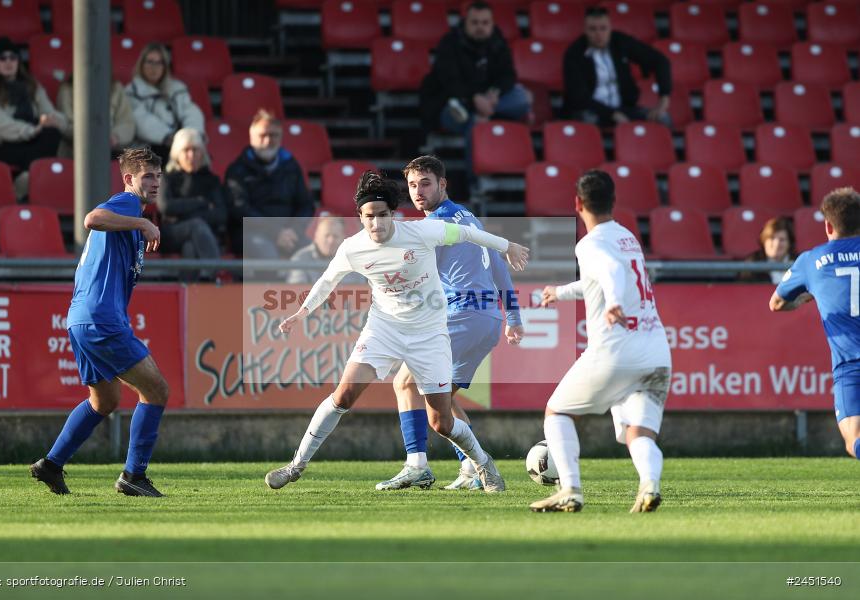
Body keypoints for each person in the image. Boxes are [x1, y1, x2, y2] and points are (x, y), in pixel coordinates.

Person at [264, 170, 530, 493]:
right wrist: (300, 313)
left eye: (381, 216)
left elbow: (469, 235)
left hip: (429, 333)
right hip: (384, 328)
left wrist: (508, 246)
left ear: (393, 214)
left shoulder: (421, 232)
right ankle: (295, 466)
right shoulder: (352, 247)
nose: (376, 224)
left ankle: (481, 462)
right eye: (368, 217)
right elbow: (326, 282)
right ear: (360, 217)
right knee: (343, 395)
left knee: (441, 422)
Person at [375, 155, 524, 491]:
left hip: (463, 314)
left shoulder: (435, 226)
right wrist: (512, 316)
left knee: (406, 384)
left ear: (443, 184)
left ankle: (417, 466)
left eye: (425, 183)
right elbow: (499, 267)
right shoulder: (469, 217)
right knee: (444, 402)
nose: (417, 191)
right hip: (486, 320)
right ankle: (472, 470)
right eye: (412, 185)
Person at [29, 147, 170, 498]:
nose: (154, 182)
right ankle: (134, 475)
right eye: (147, 176)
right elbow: (91, 218)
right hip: (101, 319)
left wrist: (140, 226)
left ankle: (51, 464)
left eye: (158, 175)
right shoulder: (126, 204)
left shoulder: (131, 218)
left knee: (103, 401)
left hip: (81, 320)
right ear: (128, 180)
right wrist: (141, 221)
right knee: (156, 390)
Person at [530, 170, 671, 513]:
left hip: (616, 350)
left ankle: (571, 490)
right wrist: (560, 293)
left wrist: (614, 303)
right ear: (614, 202)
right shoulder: (627, 238)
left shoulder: (590, 244)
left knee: (557, 411)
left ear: (577, 204)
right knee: (638, 432)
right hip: (656, 352)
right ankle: (650, 486)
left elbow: (610, 272)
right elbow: (600, 277)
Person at [770, 187, 860, 463]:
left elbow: (776, 303)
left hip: (850, 367)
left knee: (854, 439)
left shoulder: (811, 261)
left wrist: (805, 299)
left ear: (829, 225)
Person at [418, 1, 531, 184]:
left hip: (490, 101)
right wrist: (474, 99)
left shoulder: (498, 41)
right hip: (455, 102)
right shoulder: (449, 42)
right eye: (475, 22)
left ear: (492, 24)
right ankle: (476, 183)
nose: (480, 27)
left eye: (485, 23)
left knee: (521, 99)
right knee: (470, 123)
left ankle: (483, 114)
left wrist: (494, 94)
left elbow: (508, 75)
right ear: (465, 22)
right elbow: (449, 81)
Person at [562, 7, 672, 127]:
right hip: (592, 111)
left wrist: (664, 98)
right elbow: (578, 98)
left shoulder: (620, 42)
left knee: (663, 118)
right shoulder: (574, 53)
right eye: (592, 29)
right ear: (585, 30)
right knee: (588, 121)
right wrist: (612, 114)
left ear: (610, 28)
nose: (599, 34)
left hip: (624, 109)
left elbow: (660, 61)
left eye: (603, 28)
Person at [225, 109, 313, 259]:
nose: (267, 141)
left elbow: (306, 205)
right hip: (250, 234)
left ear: (281, 138)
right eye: (262, 135)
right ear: (251, 138)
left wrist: (294, 230)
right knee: (266, 254)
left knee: (315, 254)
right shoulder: (237, 170)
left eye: (273, 135)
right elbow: (240, 210)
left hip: (289, 233)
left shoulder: (291, 166)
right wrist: (275, 232)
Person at [0, 36, 66, 181]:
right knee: (36, 152)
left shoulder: (32, 85)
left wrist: (55, 120)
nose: (8, 62)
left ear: (19, 61)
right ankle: (29, 181)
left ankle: (27, 179)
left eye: (13, 57)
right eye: (2, 58)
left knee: (52, 133)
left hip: (29, 139)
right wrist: (30, 130)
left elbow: (48, 110)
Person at [125, 43, 205, 160]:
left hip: (182, 144)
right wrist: (169, 137)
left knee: (199, 156)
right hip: (149, 149)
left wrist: (191, 136)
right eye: (150, 62)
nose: (154, 67)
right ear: (141, 64)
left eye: (159, 63)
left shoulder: (177, 88)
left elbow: (190, 111)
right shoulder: (132, 91)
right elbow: (141, 120)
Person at [160, 127, 226, 263]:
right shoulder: (167, 178)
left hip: (205, 234)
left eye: (195, 150)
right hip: (172, 233)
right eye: (186, 150)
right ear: (177, 153)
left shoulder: (211, 180)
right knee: (196, 225)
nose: (191, 155)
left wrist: (182, 214)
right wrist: (201, 202)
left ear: (202, 153)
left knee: (190, 248)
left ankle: (192, 284)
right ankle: (218, 274)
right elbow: (166, 207)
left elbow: (221, 214)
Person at [56, 76, 136, 158]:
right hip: (76, 151)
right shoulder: (67, 89)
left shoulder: (116, 87)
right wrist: (93, 136)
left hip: (112, 150)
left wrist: (116, 136)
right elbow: (66, 123)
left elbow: (127, 122)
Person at [286, 216, 366, 285]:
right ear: (316, 236)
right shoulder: (300, 259)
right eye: (326, 235)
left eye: (335, 236)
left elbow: (359, 293)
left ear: (343, 238)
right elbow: (296, 293)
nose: (331, 241)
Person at [739, 217, 795, 284]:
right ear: (764, 241)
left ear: (790, 243)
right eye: (772, 238)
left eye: (782, 239)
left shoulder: (799, 263)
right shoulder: (751, 263)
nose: (776, 244)